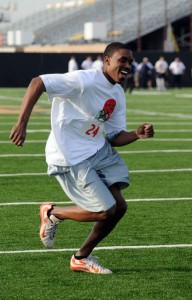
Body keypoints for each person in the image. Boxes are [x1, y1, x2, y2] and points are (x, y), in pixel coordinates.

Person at [9, 42, 154, 275]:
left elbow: (115, 136)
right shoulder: (83, 80)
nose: (128, 65)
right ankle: (53, 212)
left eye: (130, 61)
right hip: (70, 155)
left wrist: (137, 134)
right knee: (106, 210)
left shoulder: (117, 92)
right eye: (122, 60)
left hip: (97, 149)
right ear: (107, 61)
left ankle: (81, 257)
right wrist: (22, 123)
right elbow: (38, 82)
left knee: (120, 207)